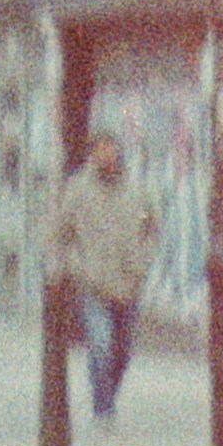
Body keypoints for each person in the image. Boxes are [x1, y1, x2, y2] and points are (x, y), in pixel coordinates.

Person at [47, 124, 150, 425]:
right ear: (92, 153)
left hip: (128, 282)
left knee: (122, 351)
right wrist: (74, 265)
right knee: (100, 346)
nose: (106, 155)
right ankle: (103, 408)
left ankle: (108, 395)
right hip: (93, 283)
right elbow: (60, 232)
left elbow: (151, 226)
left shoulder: (135, 189)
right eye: (100, 149)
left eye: (111, 148)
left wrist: (143, 262)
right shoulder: (79, 189)